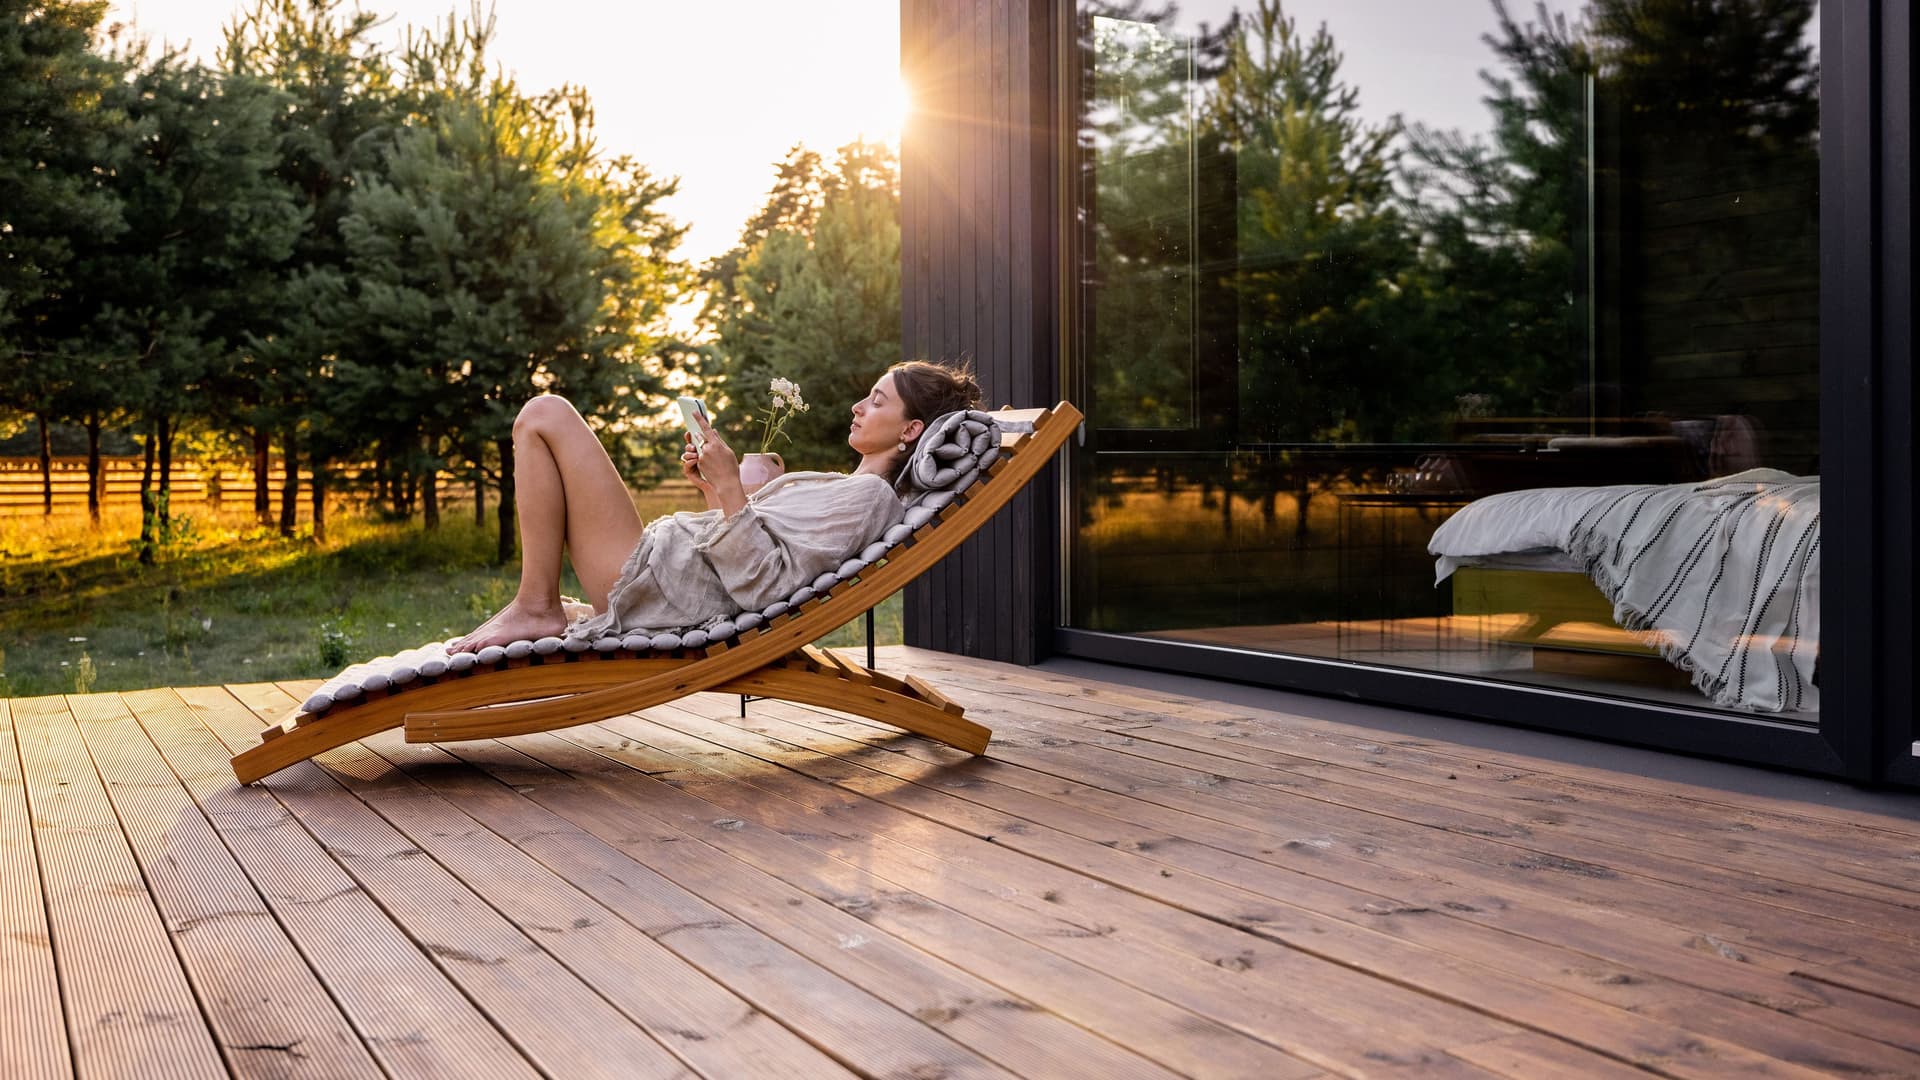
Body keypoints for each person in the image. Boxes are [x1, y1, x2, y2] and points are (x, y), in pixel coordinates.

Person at [449, 360, 982, 653]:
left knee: (545, 414)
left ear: (912, 430)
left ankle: (536, 605)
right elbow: (754, 545)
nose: (858, 406)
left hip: (658, 588)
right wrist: (712, 487)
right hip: (662, 569)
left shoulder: (868, 497)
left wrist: (730, 485)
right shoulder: (845, 485)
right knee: (545, 416)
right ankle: (535, 604)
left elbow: (764, 587)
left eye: (878, 401)